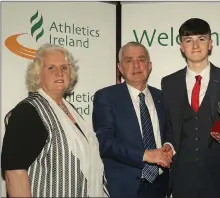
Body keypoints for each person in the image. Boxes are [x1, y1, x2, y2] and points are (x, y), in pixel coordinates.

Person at [1, 43, 109, 197]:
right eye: (51, 68)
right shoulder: (28, 112)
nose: (59, 73)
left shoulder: (71, 110)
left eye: (64, 68)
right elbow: (15, 173)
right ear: (38, 74)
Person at [161, 18, 220, 198]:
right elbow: (169, 126)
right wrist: (168, 145)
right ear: (181, 46)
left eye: (201, 39)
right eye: (189, 40)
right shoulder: (169, 83)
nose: (195, 45)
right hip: (183, 178)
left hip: (219, 176)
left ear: (211, 44)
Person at [92, 41, 171, 198]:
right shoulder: (106, 97)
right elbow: (106, 143)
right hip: (125, 188)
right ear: (120, 68)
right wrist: (145, 155)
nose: (136, 65)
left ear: (149, 66)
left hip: (161, 185)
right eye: (129, 61)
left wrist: (168, 146)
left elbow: (169, 131)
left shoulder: (162, 97)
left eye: (141, 60)